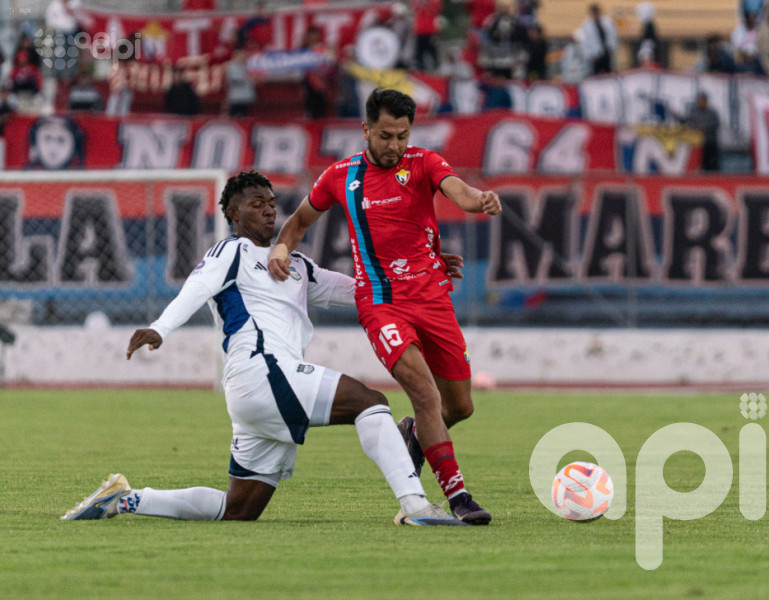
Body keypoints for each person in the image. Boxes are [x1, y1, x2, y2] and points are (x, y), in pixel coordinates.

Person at [61, 170, 462, 526]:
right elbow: (197, 288)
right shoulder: (231, 252)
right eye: (257, 205)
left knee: (238, 509)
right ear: (234, 215)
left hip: (262, 392)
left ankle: (127, 499)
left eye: (272, 204)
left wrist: (421, 271)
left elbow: (363, 289)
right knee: (370, 402)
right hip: (262, 373)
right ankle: (415, 506)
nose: (270, 212)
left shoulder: (297, 265)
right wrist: (160, 328)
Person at [267, 88, 502, 525]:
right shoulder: (340, 175)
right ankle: (459, 497)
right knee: (425, 393)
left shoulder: (424, 163)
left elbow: (461, 192)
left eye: (402, 135)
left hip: (432, 299)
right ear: (366, 130)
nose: (395, 145)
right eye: (386, 135)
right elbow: (298, 222)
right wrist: (281, 249)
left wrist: (480, 201)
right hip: (381, 304)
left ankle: (412, 433)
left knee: (460, 407)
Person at [682, 92, 721, 172]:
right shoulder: (693, 112)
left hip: (710, 142)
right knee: (698, 165)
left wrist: (705, 128)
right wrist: (697, 128)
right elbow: (688, 123)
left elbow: (716, 124)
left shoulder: (712, 113)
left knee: (711, 166)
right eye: (700, 100)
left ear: (706, 101)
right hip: (696, 144)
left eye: (703, 100)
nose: (701, 102)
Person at [581, 3, 618, 75]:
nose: (596, 14)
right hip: (595, 54)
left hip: (607, 51)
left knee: (609, 72)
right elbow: (586, 41)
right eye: (594, 13)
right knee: (597, 73)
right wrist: (591, 54)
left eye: (597, 12)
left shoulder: (607, 22)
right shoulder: (587, 25)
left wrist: (612, 47)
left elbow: (612, 35)